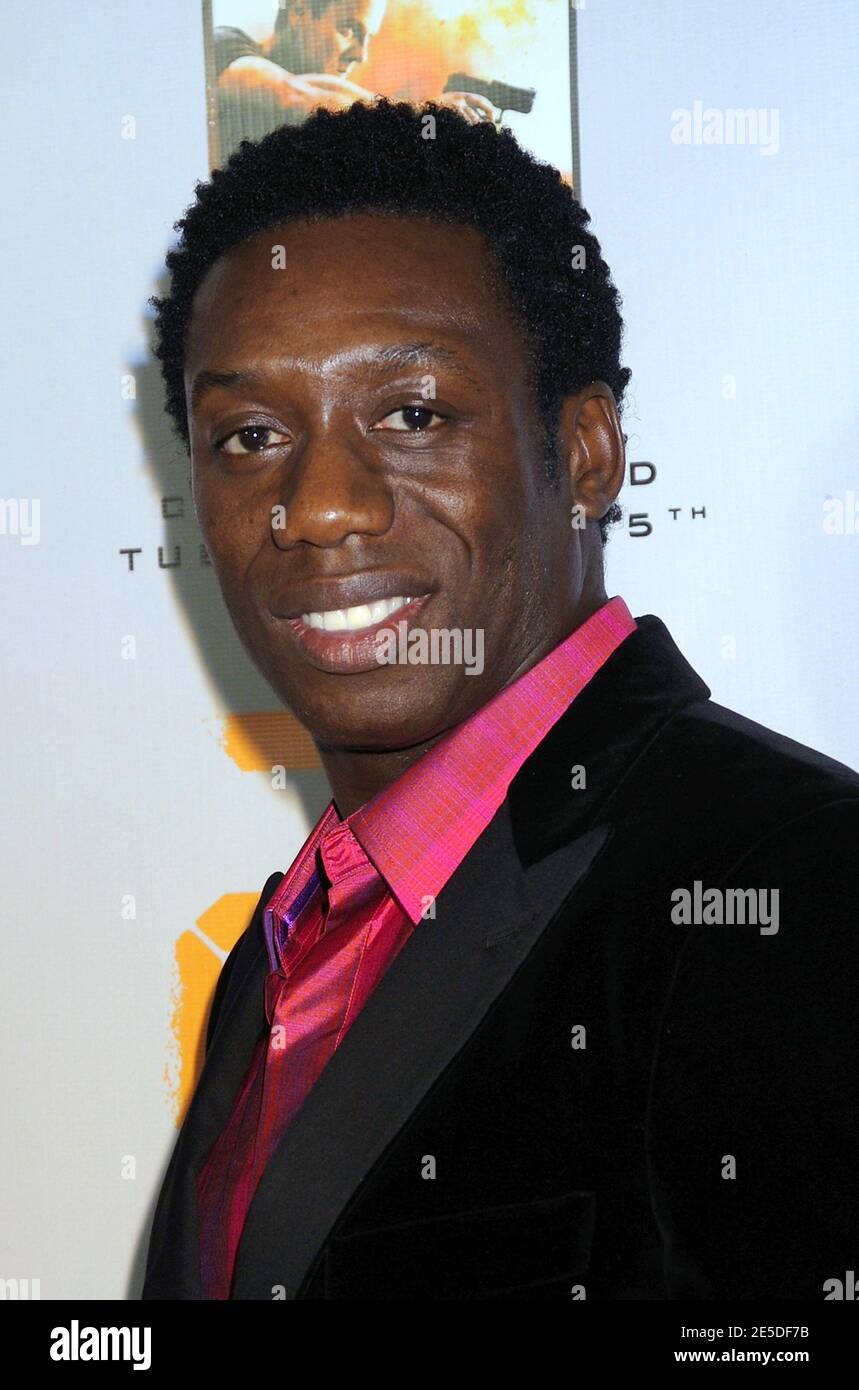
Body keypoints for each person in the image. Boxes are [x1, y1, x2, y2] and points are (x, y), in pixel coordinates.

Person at [142, 98, 859, 1300]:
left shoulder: (798, 886)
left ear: (582, 452)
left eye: (413, 414)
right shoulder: (280, 953)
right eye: (251, 433)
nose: (320, 505)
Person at [214, 0, 496, 159]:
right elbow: (293, 95)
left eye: (368, 38)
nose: (360, 55)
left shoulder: (337, 117)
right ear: (299, 10)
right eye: (348, 29)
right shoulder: (222, 46)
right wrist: (418, 112)